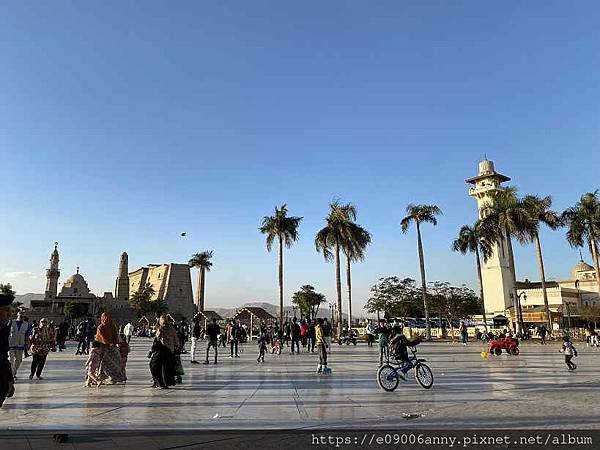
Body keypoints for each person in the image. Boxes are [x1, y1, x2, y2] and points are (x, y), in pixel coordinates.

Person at [93, 312, 124, 385]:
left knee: (109, 363)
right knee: (108, 364)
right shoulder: (106, 326)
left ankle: (111, 378)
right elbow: (102, 338)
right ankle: (107, 378)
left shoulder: (107, 326)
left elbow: (101, 338)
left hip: (108, 348)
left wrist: (110, 343)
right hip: (108, 347)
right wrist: (110, 343)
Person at [149, 315, 178, 388]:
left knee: (153, 365)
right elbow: (176, 340)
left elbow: (157, 339)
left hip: (162, 350)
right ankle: (165, 383)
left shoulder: (161, 329)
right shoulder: (172, 328)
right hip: (170, 350)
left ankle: (159, 382)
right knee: (166, 368)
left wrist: (151, 350)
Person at [0, 292, 16, 408]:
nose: (10, 314)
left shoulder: (3, 329)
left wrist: (9, 381)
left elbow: (3, 357)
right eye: (6, 310)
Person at [8, 311, 28, 379]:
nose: (22, 317)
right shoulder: (11, 322)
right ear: (17, 315)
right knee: (11, 360)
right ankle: (12, 375)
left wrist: (27, 344)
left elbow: (26, 335)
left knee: (19, 360)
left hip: (20, 344)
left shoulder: (26, 324)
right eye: (20, 316)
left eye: (23, 316)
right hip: (11, 344)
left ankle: (13, 373)